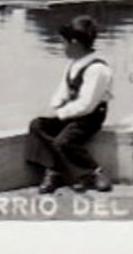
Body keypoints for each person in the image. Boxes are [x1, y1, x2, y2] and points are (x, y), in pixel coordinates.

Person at [27, 15, 114, 194]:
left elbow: (86, 105)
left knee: (64, 141)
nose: (62, 48)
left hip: (90, 116)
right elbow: (63, 91)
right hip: (73, 112)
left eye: (64, 43)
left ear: (75, 44)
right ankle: (57, 170)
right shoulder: (73, 65)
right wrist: (53, 107)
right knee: (37, 125)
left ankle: (93, 172)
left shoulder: (97, 69)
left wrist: (59, 114)